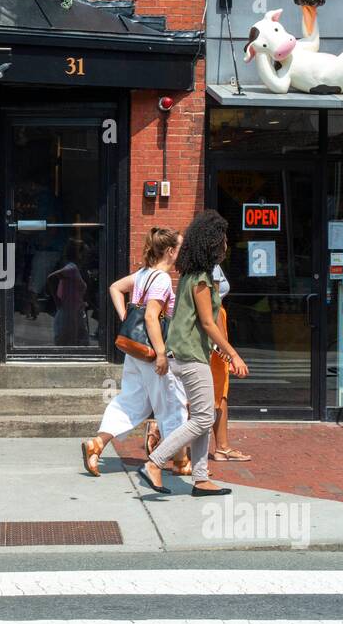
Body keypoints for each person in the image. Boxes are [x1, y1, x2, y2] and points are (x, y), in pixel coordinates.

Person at [144, 210, 249, 496]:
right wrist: (233, 354)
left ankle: (201, 479)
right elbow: (207, 322)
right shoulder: (201, 279)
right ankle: (155, 461)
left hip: (185, 354)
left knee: (203, 416)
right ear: (212, 243)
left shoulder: (191, 274)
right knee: (203, 418)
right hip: (191, 356)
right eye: (223, 239)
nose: (226, 244)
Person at [81, 229, 187, 477]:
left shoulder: (142, 275)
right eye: (180, 248)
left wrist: (126, 317)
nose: (182, 253)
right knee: (172, 404)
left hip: (135, 351)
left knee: (131, 401)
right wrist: (161, 353)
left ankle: (97, 444)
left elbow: (115, 287)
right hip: (152, 353)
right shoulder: (161, 279)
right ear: (170, 251)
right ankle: (181, 461)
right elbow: (151, 317)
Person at [209, 263, 251, 463]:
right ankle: (162, 434)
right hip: (214, 332)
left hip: (211, 331)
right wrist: (226, 349)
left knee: (217, 392)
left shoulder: (203, 265)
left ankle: (222, 446)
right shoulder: (211, 267)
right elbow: (214, 308)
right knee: (217, 391)